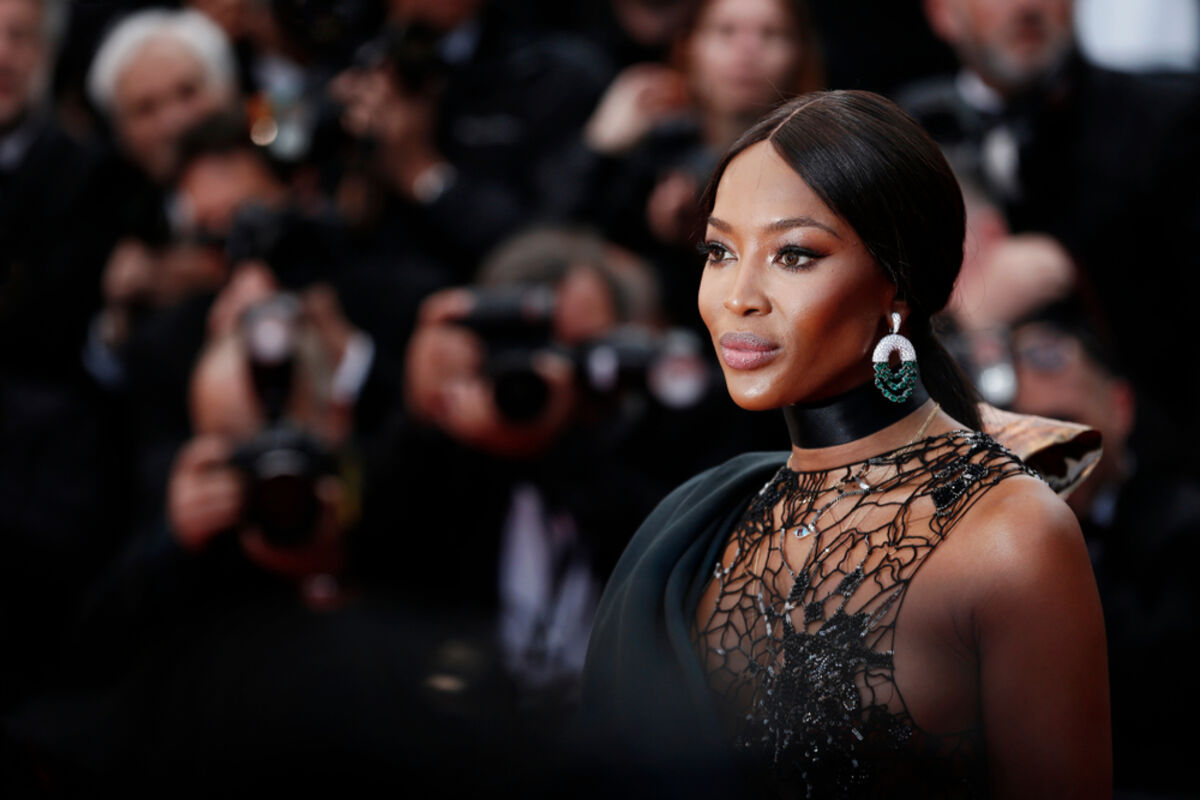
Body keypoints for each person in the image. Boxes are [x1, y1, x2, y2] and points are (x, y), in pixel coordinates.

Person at [575, 91, 1110, 799]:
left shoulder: (1010, 535)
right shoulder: (701, 518)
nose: (738, 295)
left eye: (794, 255)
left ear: (898, 285)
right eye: (719, 251)